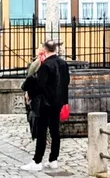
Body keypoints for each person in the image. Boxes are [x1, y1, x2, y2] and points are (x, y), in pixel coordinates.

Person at [21, 40, 70, 173]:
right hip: (58, 102)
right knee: (55, 131)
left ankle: (37, 161)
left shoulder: (46, 65)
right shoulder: (63, 64)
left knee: (41, 131)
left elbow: (39, 85)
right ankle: (53, 159)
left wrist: (29, 94)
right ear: (55, 49)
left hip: (45, 103)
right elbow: (66, 82)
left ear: (44, 49)